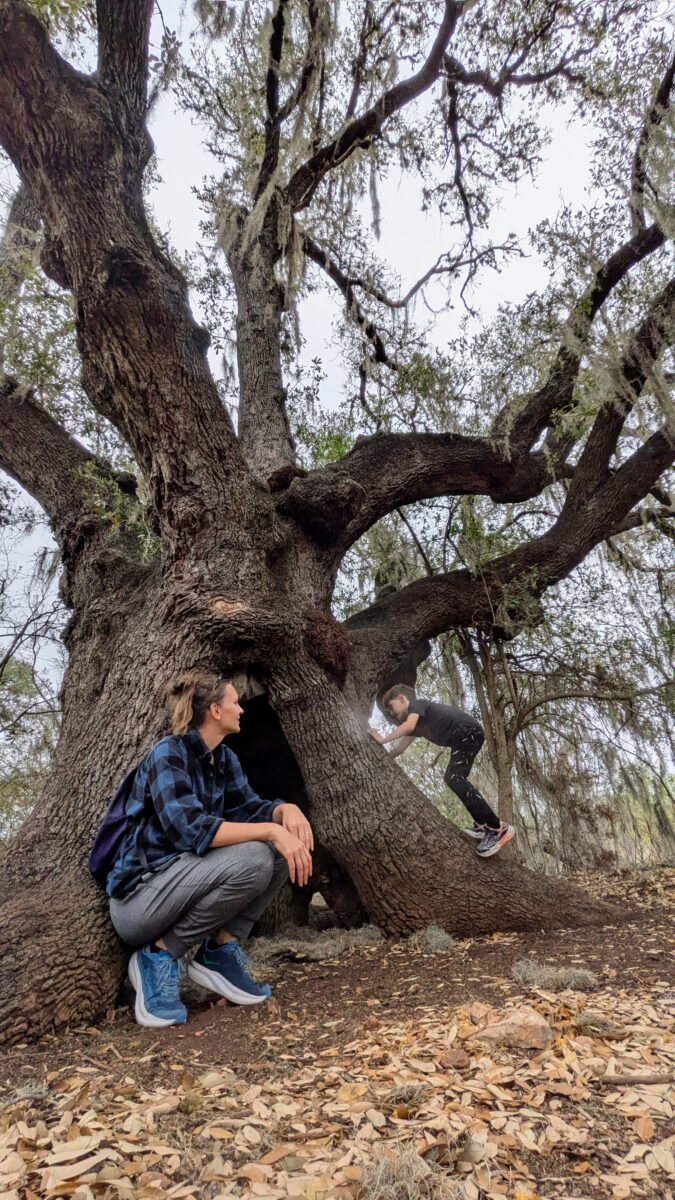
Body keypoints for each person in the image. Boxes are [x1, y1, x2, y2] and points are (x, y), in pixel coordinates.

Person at [106, 671, 314, 1027]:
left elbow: (251, 808)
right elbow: (189, 830)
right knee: (258, 853)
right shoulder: (167, 754)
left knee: (279, 849)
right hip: (140, 899)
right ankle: (157, 955)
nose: (242, 710)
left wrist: (284, 811)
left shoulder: (224, 760)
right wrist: (270, 831)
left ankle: (219, 950)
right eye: (235, 703)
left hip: (185, 881)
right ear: (215, 711)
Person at [368, 684, 513, 858]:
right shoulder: (416, 725)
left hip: (467, 731)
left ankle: (497, 828)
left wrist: (382, 740)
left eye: (390, 707)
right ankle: (482, 824)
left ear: (401, 698)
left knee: (454, 777)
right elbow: (400, 749)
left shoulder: (416, 705)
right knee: (453, 778)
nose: (391, 713)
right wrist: (381, 758)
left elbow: (407, 726)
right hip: (466, 735)